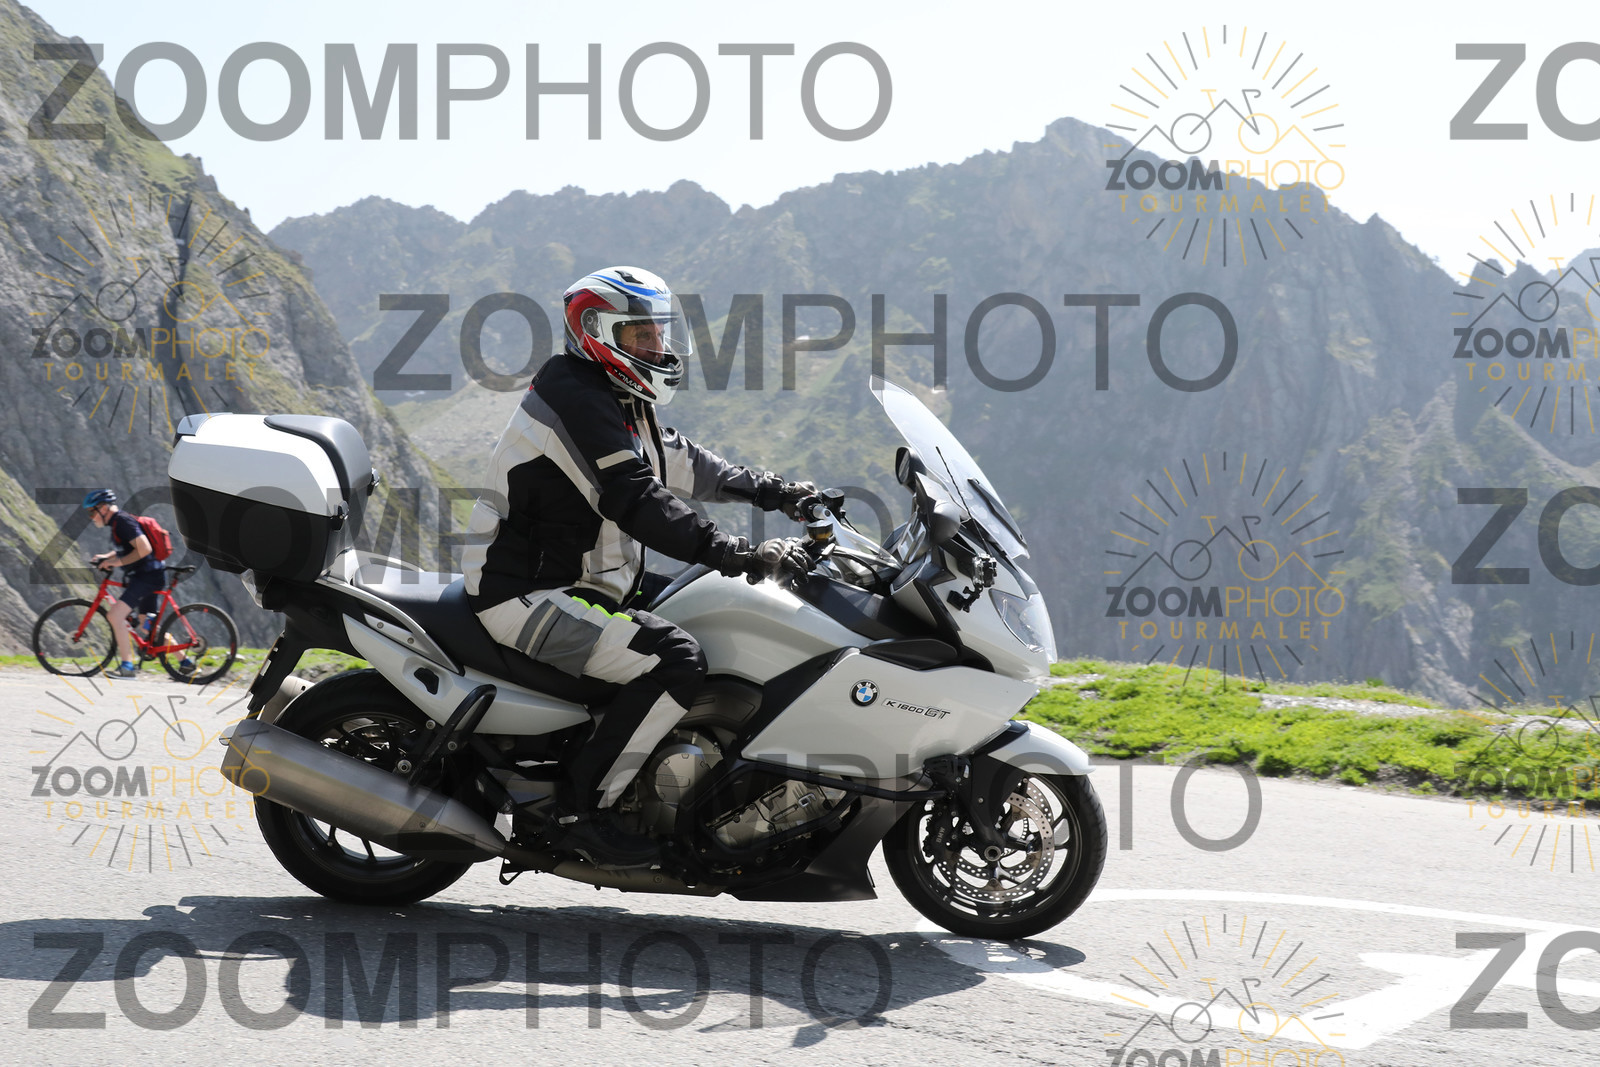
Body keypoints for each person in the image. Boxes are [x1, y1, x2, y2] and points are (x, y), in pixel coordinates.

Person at [460, 266, 817, 864]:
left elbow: (683, 462)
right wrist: (737, 553)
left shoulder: (618, 397)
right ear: (597, 332)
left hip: (591, 580)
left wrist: (778, 492)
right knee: (674, 659)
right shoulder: (574, 399)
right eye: (641, 335)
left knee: (716, 605)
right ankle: (580, 811)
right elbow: (638, 499)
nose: (657, 345)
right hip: (527, 593)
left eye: (658, 332)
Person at [84, 489, 166, 679]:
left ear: (103, 508)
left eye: (92, 512)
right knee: (147, 625)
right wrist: (107, 557)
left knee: (115, 615)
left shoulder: (122, 522)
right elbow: (127, 548)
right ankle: (185, 663)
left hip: (146, 577)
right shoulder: (118, 523)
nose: (91, 517)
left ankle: (127, 667)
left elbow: (144, 548)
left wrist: (116, 563)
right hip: (150, 575)